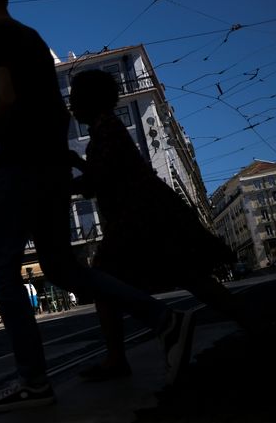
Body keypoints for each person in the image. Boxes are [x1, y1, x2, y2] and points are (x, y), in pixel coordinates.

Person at [0, 0, 193, 412]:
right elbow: (55, 113)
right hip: (49, 170)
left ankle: (33, 381)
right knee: (65, 268)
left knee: (4, 272)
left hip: (19, 166)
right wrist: (63, 163)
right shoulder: (32, 38)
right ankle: (164, 319)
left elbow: (4, 97)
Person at [68, 69, 260, 380]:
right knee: (192, 278)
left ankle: (117, 359)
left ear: (91, 101)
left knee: (103, 280)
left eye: (75, 99)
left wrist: (65, 180)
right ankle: (257, 326)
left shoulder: (108, 130)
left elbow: (101, 179)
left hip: (139, 218)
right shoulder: (106, 130)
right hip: (149, 215)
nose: (72, 107)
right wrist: (77, 165)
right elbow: (100, 178)